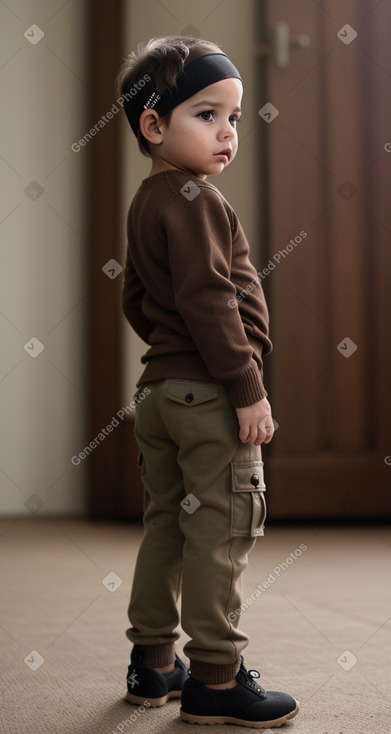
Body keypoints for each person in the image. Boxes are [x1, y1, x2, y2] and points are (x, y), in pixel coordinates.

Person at [117, 35, 299, 728]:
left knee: (166, 522)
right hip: (208, 395)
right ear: (153, 125)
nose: (225, 132)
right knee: (221, 532)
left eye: (233, 117)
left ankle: (154, 664)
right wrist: (245, 386)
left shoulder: (149, 200)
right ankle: (218, 681)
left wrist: (169, 359)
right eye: (205, 114)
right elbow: (211, 300)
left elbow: (137, 299)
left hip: (160, 394)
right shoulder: (197, 200)